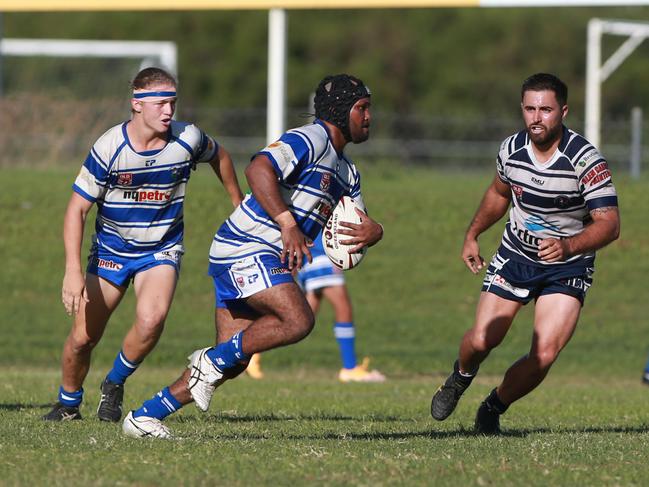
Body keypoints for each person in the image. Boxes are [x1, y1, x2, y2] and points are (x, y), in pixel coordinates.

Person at [122, 73, 384, 439]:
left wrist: (374, 232)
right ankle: (207, 362)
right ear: (341, 111)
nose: (369, 116)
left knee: (231, 361)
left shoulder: (348, 172)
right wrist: (287, 222)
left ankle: (144, 416)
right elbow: (258, 168)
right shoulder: (309, 138)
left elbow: (355, 229)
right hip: (245, 247)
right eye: (362, 108)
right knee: (298, 320)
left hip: (259, 257)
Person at [43, 67, 243, 422]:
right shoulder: (110, 147)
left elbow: (221, 157)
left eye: (173, 103)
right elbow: (77, 209)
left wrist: (238, 204)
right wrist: (72, 271)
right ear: (137, 103)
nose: (169, 111)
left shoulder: (187, 139)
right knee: (82, 339)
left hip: (160, 250)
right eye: (161, 103)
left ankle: (114, 383)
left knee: (152, 321)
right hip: (111, 252)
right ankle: (69, 403)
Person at [430, 73, 620, 434]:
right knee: (484, 340)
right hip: (516, 256)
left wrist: (568, 246)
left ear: (562, 111)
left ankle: (493, 406)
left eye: (546, 109)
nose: (537, 117)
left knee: (545, 354)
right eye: (530, 109)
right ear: (522, 109)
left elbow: (609, 224)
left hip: (568, 265)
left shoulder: (586, 161)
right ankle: (460, 376)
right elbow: (499, 194)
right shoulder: (511, 150)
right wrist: (472, 234)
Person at [245, 229, 386, 382]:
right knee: (343, 307)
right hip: (320, 255)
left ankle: (251, 350)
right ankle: (350, 367)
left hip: (313, 254)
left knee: (299, 322)